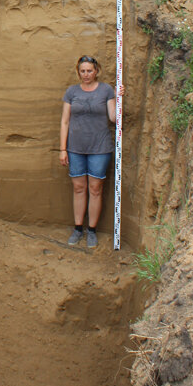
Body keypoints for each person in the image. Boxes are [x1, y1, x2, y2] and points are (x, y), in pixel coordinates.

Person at [59, 55, 124, 248]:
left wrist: (118, 98)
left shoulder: (105, 90)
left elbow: (113, 118)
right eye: (82, 71)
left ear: (96, 71)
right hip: (75, 148)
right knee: (79, 188)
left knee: (95, 189)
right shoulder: (71, 92)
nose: (86, 75)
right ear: (78, 72)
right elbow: (65, 121)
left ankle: (92, 231)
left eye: (89, 71)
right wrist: (63, 149)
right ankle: (78, 228)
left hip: (100, 148)